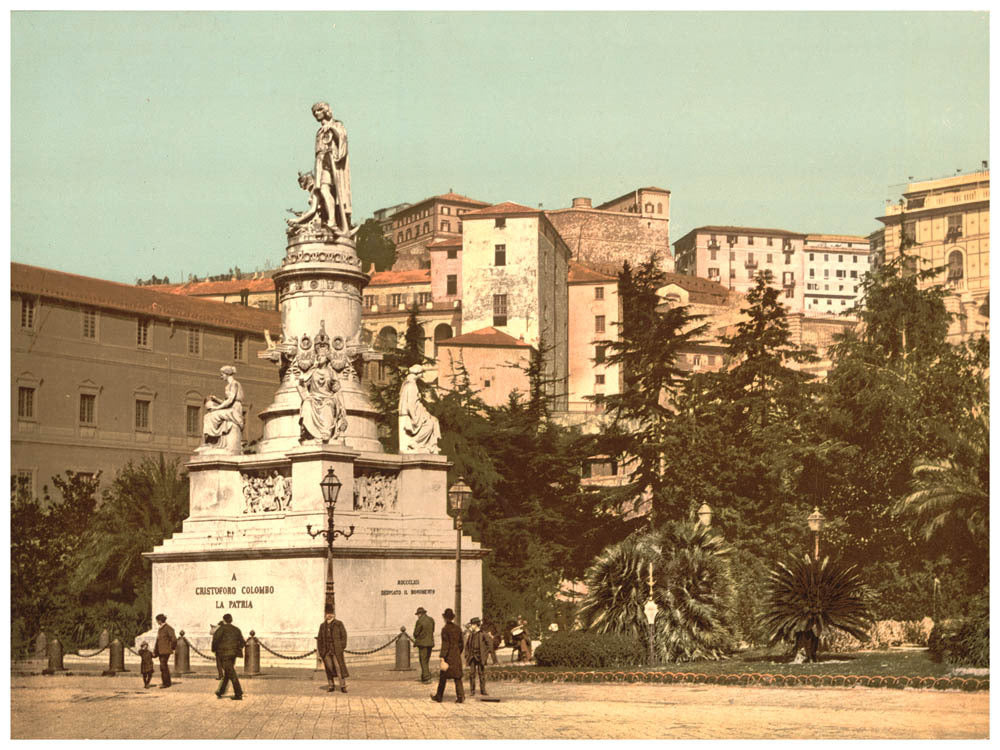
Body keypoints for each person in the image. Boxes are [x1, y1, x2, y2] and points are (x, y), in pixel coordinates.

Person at [311, 101, 352, 233]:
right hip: (321, 163)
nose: (316, 114)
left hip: (333, 163)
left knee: (329, 190)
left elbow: (343, 137)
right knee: (323, 190)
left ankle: (333, 221)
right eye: (314, 112)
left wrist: (332, 129)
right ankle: (330, 220)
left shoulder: (337, 124)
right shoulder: (319, 131)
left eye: (319, 110)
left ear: (326, 110)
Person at [295, 351, 348, 443]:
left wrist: (342, 405)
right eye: (318, 356)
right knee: (307, 404)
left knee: (328, 405)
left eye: (322, 355)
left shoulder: (331, 372)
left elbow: (337, 390)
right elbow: (300, 384)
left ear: (327, 359)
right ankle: (310, 433)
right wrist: (305, 397)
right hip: (313, 398)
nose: (319, 357)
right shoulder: (312, 372)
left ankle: (326, 432)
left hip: (327, 398)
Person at [398, 365, 441, 454]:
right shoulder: (411, 385)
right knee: (430, 424)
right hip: (413, 413)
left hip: (417, 411)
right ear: (417, 373)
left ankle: (430, 446)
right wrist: (416, 418)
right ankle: (415, 442)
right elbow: (411, 405)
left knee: (433, 421)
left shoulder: (408, 383)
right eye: (421, 373)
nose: (422, 376)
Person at [201, 366, 245, 454]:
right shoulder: (228, 386)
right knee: (208, 416)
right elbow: (226, 402)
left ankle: (209, 440)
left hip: (235, 410)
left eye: (222, 374)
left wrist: (217, 408)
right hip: (229, 409)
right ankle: (209, 440)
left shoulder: (234, 384)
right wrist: (216, 399)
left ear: (227, 374)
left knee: (211, 416)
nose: (221, 377)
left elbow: (230, 400)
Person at [431, 608, 464, 704]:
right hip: (456, 656)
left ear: (445, 618)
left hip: (448, 657)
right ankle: (460, 697)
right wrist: (458, 652)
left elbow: (445, 645)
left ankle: (439, 696)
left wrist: (442, 657)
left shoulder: (445, 629)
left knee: (443, 677)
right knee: (457, 677)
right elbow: (461, 644)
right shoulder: (458, 628)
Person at [212, 613, 246, 701]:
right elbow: (243, 642)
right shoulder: (236, 629)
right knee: (228, 672)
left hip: (224, 654)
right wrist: (236, 649)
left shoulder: (221, 629)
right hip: (233, 654)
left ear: (224, 620)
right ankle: (221, 691)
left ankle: (238, 693)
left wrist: (214, 650)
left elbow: (215, 640)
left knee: (231, 673)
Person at [317, 604, 349, 693]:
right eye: (327, 613)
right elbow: (319, 639)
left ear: (334, 614)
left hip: (336, 650)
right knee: (329, 668)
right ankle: (331, 685)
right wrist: (321, 652)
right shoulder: (322, 626)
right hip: (326, 651)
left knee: (339, 667)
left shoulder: (339, 624)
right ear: (325, 615)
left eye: (331, 613)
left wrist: (341, 647)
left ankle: (343, 686)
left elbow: (344, 636)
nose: (329, 615)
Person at [464, 618, 490, 697]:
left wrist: (485, 655)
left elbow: (489, 645)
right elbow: (467, 646)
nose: (471, 626)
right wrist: (467, 654)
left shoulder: (483, 634)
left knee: (481, 673)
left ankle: (483, 690)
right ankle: (472, 691)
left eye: (472, 624)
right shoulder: (471, 635)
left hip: (480, 656)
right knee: (472, 674)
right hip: (472, 656)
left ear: (476, 625)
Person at [152, 614, 176, 688]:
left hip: (165, 651)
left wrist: (171, 648)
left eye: (157, 620)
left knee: (163, 666)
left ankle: (166, 683)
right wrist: (155, 651)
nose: (157, 622)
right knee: (163, 666)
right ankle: (167, 682)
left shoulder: (168, 628)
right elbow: (158, 640)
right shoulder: (161, 629)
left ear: (160, 620)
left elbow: (174, 639)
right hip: (160, 651)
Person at [413, 606, 435, 684]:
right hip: (430, 643)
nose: (417, 616)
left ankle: (426, 677)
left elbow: (415, 633)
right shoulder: (431, 619)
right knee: (426, 660)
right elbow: (433, 630)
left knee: (423, 660)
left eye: (418, 614)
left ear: (420, 614)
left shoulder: (420, 621)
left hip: (422, 644)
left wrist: (418, 637)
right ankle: (424, 676)